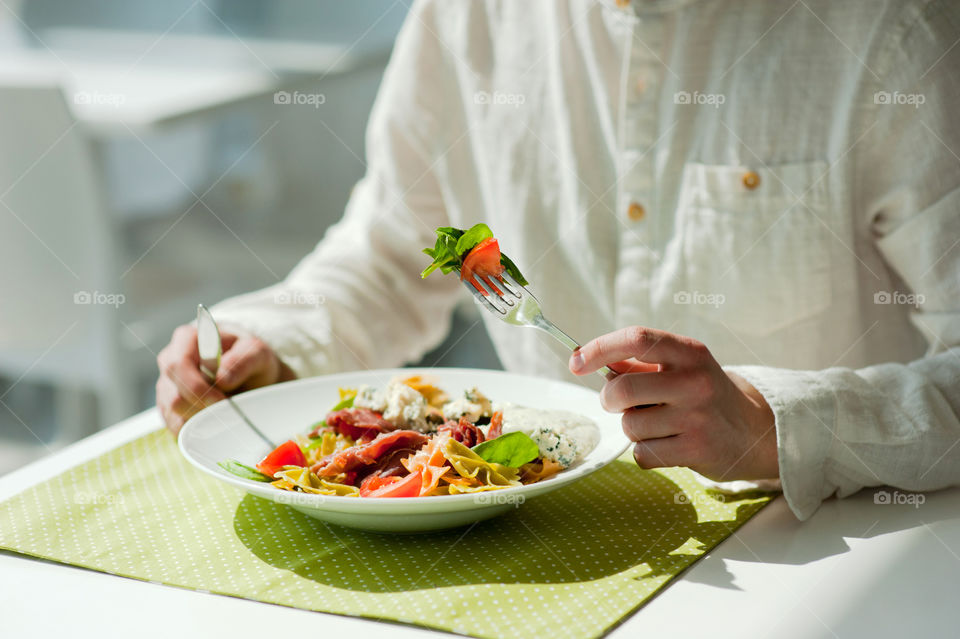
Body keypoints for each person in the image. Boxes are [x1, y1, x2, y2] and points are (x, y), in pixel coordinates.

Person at [156, 0, 960, 520]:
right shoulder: (467, 17)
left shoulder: (895, 32)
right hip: (510, 541)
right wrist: (274, 346)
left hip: (818, 553)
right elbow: (391, 254)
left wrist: (769, 423)